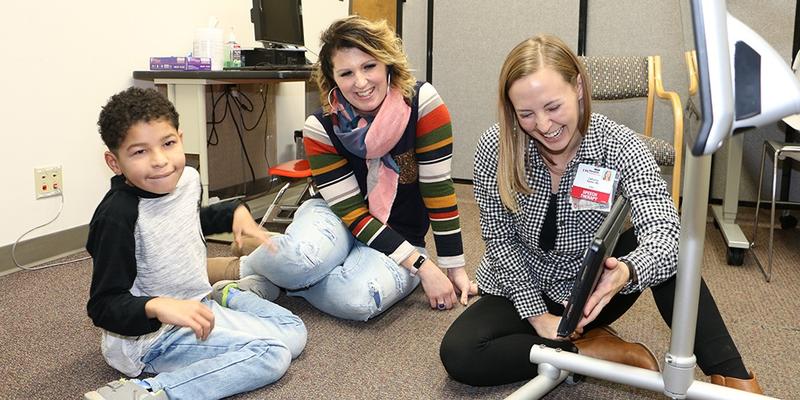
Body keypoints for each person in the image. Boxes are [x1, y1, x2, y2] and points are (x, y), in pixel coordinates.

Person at [438, 35, 762, 393]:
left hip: (595, 290)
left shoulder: (620, 146)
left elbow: (666, 232)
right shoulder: (494, 147)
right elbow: (499, 240)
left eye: (553, 107)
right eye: (526, 114)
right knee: (460, 354)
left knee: (671, 251)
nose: (544, 125)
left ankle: (733, 379)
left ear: (578, 86)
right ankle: (586, 350)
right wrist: (538, 316)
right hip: (521, 286)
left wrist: (627, 270)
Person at [207, 15, 477, 321]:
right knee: (298, 262)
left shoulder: (422, 103)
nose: (360, 83)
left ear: (387, 64)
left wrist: (454, 267)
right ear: (332, 78)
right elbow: (353, 214)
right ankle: (288, 266)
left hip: (403, 233)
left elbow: (438, 190)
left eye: (369, 66)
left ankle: (261, 273)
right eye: (346, 73)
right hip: (337, 217)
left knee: (358, 300)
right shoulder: (320, 125)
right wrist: (421, 267)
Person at [84, 87, 307, 400]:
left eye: (168, 143)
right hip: (151, 339)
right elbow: (103, 306)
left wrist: (233, 213)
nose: (160, 161)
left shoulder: (187, 179)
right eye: (139, 152)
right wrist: (157, 306)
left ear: (181, 138)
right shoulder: (117, 217)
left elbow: (186, 222)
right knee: (272, 354)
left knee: (295, 334)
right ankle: (147, 392)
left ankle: (228, 293)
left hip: (199, 305)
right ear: (114, 162)